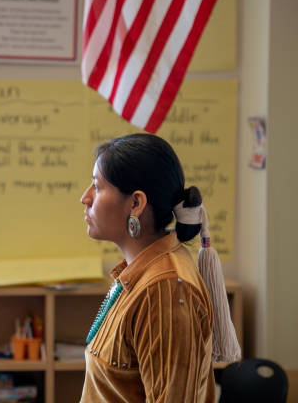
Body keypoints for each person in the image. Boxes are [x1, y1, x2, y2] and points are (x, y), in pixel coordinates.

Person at [79, 133, 217, 402]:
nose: (85, 197)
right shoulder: (142, 273)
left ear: (136, 203)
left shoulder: (164, 289)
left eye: (97, 186)